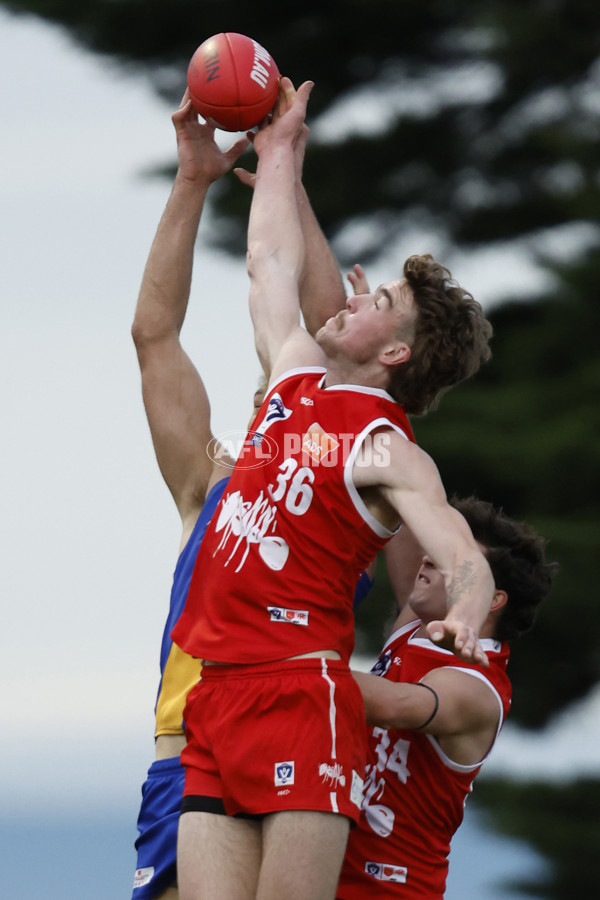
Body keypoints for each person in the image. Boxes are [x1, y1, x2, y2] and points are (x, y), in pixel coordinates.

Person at [172, 78, 496, 900]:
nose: (356, 293)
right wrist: (278, 150)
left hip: (299, 690)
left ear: (394, 355)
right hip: (216, 691)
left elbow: (458, 549)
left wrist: (462, 607)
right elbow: (266, 260)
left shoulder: (387, 449)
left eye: (380, 299)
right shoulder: (291, 376)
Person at [129, 90, 371, 899]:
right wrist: (193, 181)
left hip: (294, 737)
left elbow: (335, 335)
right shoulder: (212, 477)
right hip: (188, 753)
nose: (282, 378)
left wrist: (286, 171)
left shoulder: (350, 472)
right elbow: (153, 336)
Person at [337, 497, 557, 898]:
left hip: (389, 889)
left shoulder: (475, 688)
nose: (428, 561)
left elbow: (390, 705)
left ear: (492, 599)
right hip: (329, 866)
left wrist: (285, 657)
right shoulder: (419, 626)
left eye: (453, 563)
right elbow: (402, 499)